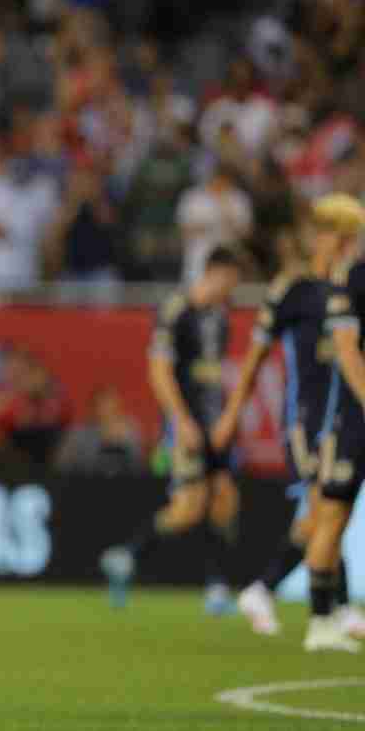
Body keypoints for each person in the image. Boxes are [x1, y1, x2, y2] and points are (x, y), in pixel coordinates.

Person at [211, 226, 365, 638]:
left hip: (341, 421)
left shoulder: (352, 289)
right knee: (322, 511)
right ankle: (303, 598)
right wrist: (231, 413)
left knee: (328, 514)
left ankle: (290, 596)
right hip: (304, 421)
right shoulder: (294, 291)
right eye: (336, 237)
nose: (343, 246)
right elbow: (255, 357)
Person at [100, 247, 243, 613]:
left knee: (224, 499)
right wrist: (180, 420)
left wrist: (225, 418)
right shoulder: (176, 310)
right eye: (231, 280)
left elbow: (212, 378)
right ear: (216, 273)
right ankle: (128, 555)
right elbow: (159, 372)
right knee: (188, 508)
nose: (233, 289)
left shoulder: (220, 318)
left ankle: (216, 587)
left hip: (213, 424)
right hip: (186, 425)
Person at [300, 194, 365, 652]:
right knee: (332, 516)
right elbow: (346, 353)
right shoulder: (348, 281)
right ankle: (320, 620)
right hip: (349, 420)